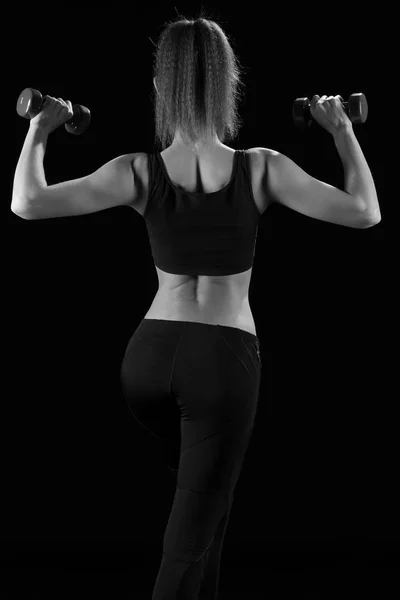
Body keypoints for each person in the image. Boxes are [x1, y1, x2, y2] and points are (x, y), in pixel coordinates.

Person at [11, 10, 381, 599]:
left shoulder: (137, 170)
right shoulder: (262, 168)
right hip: (221, 365)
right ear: (228, 84)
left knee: (209, 515)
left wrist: (42, 128)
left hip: (148, 362)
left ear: (162, 85)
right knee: (186, 549)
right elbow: (365, 211)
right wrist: (341, 131)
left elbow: (27, 202)